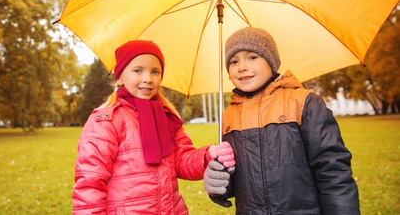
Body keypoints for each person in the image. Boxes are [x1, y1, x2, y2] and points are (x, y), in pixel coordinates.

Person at [203, 27, 360, 214]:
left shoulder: (304, 102)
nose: (241, 67)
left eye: (252, 57)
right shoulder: (229, 117)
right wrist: (219, 181)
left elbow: (332, 170)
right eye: (233, 61)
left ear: (271, 61)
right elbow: (237, 181)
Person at [72, 40, 235, 214]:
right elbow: (90, 184)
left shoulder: (167, 117)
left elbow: (181, 162)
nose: (148, 79)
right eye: (138, 70)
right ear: (119, 77)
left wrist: (207, 155)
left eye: (155, 72)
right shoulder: (106, 121)